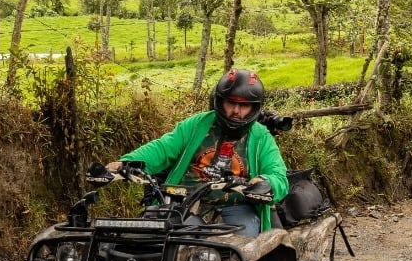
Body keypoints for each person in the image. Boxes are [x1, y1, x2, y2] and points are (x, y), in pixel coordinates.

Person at [107, 68, 291, 236]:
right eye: (230, 103)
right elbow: (163, 148)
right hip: (182, 203)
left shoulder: (261, 137)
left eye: (243, 106)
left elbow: (278, 176)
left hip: (235, 207)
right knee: (144, 240)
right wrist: (127, 162)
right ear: (220, 101)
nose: (235, 111)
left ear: (254, 108)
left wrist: (266, 183)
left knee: (244, 246)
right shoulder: (197, 125)